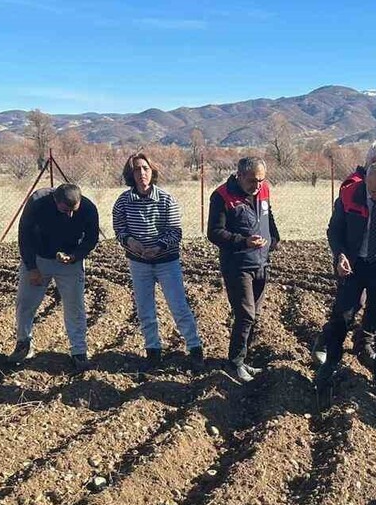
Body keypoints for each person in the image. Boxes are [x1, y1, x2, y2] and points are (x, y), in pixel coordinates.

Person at [315, 160, 376, 397]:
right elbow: (334, 230)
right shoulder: (349, 195)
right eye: (373, 192)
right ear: (365, 182)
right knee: (342, 316)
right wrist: (340, 255)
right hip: (355, 264)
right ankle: (329, 366)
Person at [112, 152, 204, 371]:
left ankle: (195, 348)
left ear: (152, 171)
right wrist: (130, 242)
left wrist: (159, 247)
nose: (141, 173)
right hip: (138, 262)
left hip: (166, 262)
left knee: (178, 306)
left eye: (145, 168)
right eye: (136, 169)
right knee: (145, 308)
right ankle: (153, 350)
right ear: (130, 174)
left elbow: (175, 232)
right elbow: (119, 228)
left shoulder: (166, 199)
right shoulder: (123, 201)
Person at [313, 140, 376, 368]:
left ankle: (363, 342)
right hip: (352, 259)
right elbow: (339, 227)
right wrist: (341, 255)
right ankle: (325, 342)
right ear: (373, 163)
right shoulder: (352, 186)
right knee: (350, 306)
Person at [11, 183, 100, 371]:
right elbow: (24, 235)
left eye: (74, 210)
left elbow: (91, 239)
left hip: (71, 263)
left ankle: (79, 351)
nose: (70, 215)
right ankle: (23, 344)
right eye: (65, 210)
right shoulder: (37, 202)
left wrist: (75, 256)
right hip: (39, 258)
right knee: (25, 303)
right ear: (55, 201)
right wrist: (32, 268)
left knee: (75, 306)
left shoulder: (88, 208)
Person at [208, 156, 281, 382]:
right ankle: (235, 362)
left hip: (261, 262)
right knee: (245, 315)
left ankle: (244, 359)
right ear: (239, 176)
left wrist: (275, 240)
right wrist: (243, 241)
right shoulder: (222, 196)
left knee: (255, 315)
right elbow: (214, 232)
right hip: (237, 265)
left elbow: (268, 218)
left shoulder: (264, 191)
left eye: (261, 180)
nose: (257, 185)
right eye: (252, 181)